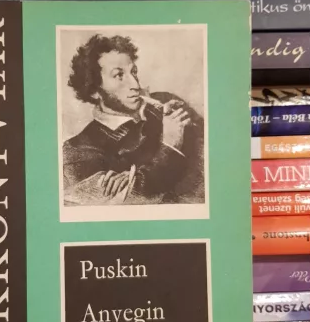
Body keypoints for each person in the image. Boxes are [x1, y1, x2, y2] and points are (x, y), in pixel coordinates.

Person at [62, 34, 204, 206]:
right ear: (94, 90)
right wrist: (170, 145)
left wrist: (135, 177)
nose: (135, 85)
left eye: (134, 72)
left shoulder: (165, 103)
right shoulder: (77, 149)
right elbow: (126, 202)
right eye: (119, 75)